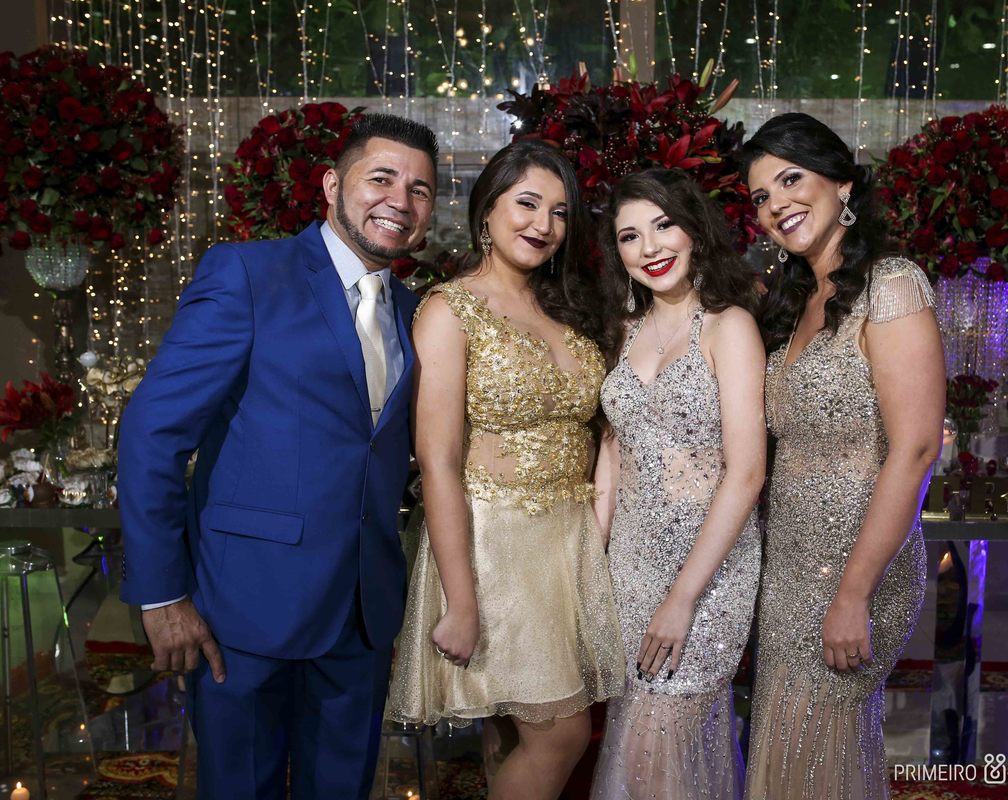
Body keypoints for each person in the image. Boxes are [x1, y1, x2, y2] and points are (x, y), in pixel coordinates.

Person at [117, 113, 438, 799]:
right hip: (243, 611)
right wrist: (162, 593)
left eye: (420, 189)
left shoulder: (418, 313)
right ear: (331, 185)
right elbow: (152, 432)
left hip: (361, 616)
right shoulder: (247, 273)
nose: (400, 200)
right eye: (381, 178)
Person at [385, 139, 624, 800]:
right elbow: (437, 463)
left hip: (569, 543)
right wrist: (461, 601)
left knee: (516, 737)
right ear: (487, 209)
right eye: (527, 204)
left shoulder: (567, 306)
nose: (543, 224)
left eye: (559, 212)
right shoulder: (449, 309)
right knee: (561, 735)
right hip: (496, 549)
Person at [741, 112, 944, 799]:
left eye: (791, 180)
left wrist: (853, 593)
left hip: (860, 568)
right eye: (761, 196)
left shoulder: (892, 285)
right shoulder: (796, 299)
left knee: (816, 744)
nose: (776, 205)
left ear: (843, 184)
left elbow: (915, 450)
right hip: (787, 569)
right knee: (788, 746)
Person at [589, 168, 766, 800]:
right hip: (629, 566)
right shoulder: (623, 329)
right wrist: (591, 564)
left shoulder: (728, 326)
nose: (650, 248)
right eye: (630, 236)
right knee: (641, 745)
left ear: (694, 229)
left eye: (664, 225)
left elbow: (747, 473)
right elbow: (613, 452)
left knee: (657, 749)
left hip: (707, 570)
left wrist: (683, 598)